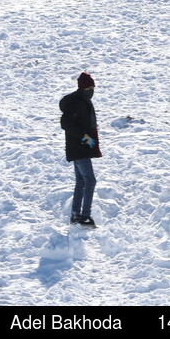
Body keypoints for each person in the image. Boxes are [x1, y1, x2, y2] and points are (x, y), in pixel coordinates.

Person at [60, 72, 101, 226]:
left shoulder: (83, 101)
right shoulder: (75, 102)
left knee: (81, 181)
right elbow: (66, 124)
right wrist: (84, 136)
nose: (91, 90)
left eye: (93, 87)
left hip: (80, 148)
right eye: (89, 87)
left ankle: (75, 215)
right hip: (78, 148)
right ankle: (85, 216)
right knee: (90, 180)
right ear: (82, 88)